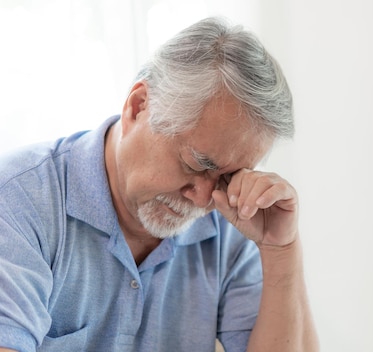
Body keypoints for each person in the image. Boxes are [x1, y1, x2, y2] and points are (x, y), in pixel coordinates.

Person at [0, 17, 318, 352]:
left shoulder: (231, 219)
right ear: (137, 107)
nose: (204, 197)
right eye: (196, 164)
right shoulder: (19, 198)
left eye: (227, 177)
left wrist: (281, 250)